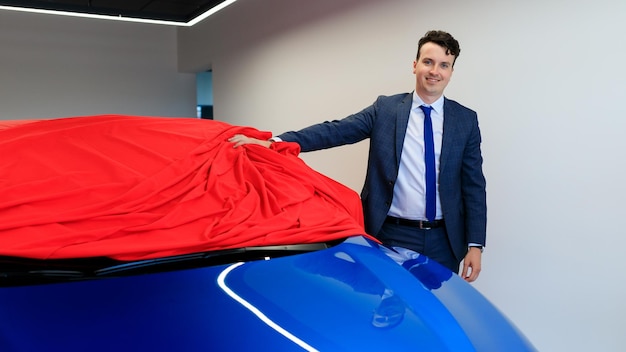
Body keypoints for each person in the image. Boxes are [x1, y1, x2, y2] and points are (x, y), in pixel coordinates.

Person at [229, 30, 487, 282]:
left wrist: (475, 245)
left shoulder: (465, 120)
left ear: (451, 72)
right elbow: (335, 130)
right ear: (415, 64)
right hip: (391, 233)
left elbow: (474, 186)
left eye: (444, 65)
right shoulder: (386, 109)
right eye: (428, 61)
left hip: (445, 239)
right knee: (387, 303)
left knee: (436, 311)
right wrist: (274, 143)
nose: (434, 71)